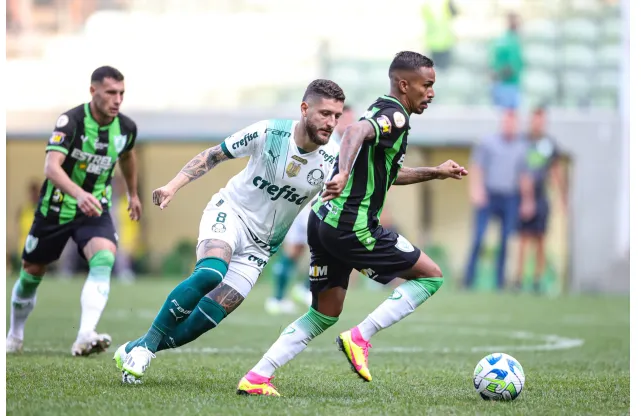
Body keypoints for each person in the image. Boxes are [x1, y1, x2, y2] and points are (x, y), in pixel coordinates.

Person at [236, 51, 468, 396]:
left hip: (323, 220)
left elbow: (387, 173)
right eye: (427, 85)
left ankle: (256, 377)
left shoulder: (382, 109)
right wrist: (343, 172)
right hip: (352, 226)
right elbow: (352, 133)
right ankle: (361, 336)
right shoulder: (396, 117)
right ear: (405, 85)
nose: (431, 92)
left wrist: (435, 172)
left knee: (324, 313)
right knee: (431, 276)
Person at [113, 79, 345, 384]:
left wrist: (427, 174)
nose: (331, 122)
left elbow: (377, 177)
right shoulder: (268, 132)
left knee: (204, 321)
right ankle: (144, 352)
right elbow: (213, 155)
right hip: (230, 213)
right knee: (211, 273)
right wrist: (172, 186)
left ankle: (137, 347)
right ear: (304, 109)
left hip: (261, 247)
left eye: (336, 116)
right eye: (325, 113)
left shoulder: (334, 159)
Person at [6, 66, 142, 356]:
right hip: (56, 207)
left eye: (121, 93)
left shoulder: (126, 128)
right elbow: (51, 167)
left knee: (104, 256)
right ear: (93, 91)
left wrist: (132, 193)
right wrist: (78, 193)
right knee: (32, 272)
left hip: (95, 208)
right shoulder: (71, 122)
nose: (117, 100)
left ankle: (84, 335)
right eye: (110, 93)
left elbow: (128, 156)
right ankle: (15, 335)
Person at [265, 105, 357, 315]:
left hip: (302, 202)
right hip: (315, 203)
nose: (348, 124)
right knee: (328, 248)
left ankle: (278, 298)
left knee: (295, 250)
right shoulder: (332, 144)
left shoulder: (334, 141)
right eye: (345, 119)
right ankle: (305, 289)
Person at [463, 110, 534, 291]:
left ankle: (500, 283)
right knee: (478, 237)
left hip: (510, 197)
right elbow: (477, 167)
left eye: (513, 123)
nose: (509, 126)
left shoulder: (522, 146)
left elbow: (524, 175)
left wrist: (527, 200)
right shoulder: (488, 142)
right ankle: (468, 280)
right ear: (502, 123)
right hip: (489, 196)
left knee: (505, 240)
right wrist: (476, 190)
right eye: (507, 122)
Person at [513, 106, 567, 293]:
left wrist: (562, 197)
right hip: (523, 196)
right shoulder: (522, 142)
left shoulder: (549, 144)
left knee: (541, 239)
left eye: (541, 120)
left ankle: (537, 279)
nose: (538, 123)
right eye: (536, 119)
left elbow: (555, 170)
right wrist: (526, 200)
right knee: (523, 238)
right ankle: (518, 279)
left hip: (542, 196)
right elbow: (522, 172)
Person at [490, 12, 525, 109]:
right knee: (507, 117)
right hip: (507, 85)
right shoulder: (508, 41)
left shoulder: (510, 40)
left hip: (509, 84)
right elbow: (508, 66)